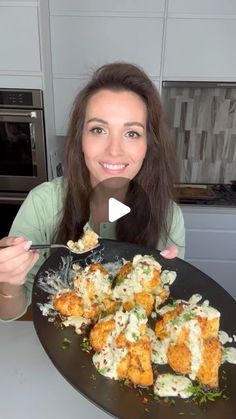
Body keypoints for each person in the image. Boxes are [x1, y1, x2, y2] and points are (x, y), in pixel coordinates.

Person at [0, 62, 185, 321]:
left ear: (148, 146)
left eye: (132, 133)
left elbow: (165, 315)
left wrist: (165, 280)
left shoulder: (168, 216)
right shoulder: (43, 204)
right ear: (80, 139)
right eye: (99, 130)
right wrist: (8, 280)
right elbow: (10, 313)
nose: (114, 150)